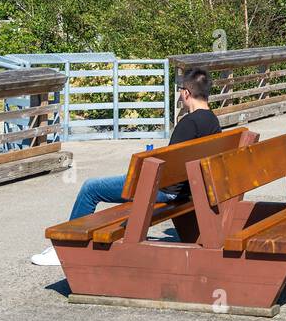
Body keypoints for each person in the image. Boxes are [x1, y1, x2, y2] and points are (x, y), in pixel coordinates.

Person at [30, 67, 221, 266]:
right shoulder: (213, 121)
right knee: (114, 182)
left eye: (180, 90)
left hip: (167, 191)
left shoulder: (188, 124)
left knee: (91, 188)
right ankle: (65, 244)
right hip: (189, 191)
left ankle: (65, 246)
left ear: (186, 93)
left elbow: (166, 168)